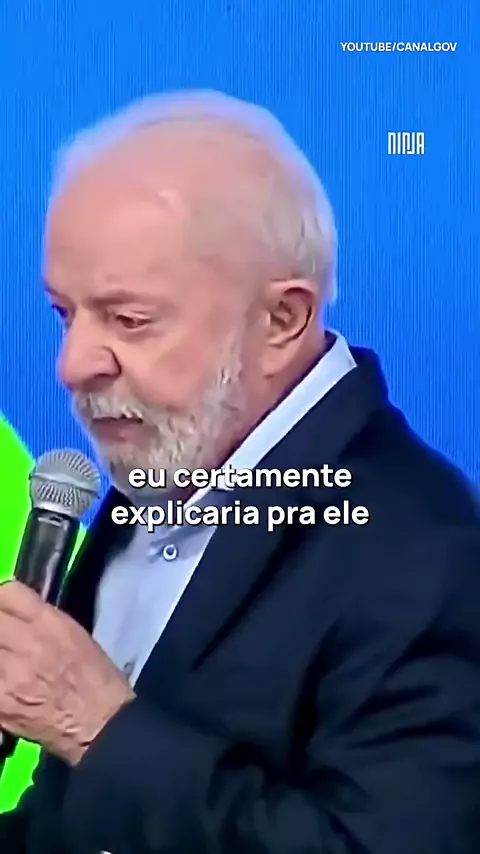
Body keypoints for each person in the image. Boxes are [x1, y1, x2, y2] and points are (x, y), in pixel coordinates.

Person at [1, 89, 480, 854]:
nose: (73, 363)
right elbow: (80, 821)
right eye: (65, 313)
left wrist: (98, 731)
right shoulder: (168, 460)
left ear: (282, 320)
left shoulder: (430, 554)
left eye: (129, 320)